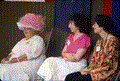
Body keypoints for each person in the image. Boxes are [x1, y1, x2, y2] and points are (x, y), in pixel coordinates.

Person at [37, 13, 91, 80]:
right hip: (67, 61)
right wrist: (67, 56)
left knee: (54, 66)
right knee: (49, 61)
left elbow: (76, 58)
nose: (69, 26)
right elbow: (63, 52)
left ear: (78, 25)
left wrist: (65, 57)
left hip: (77, 64)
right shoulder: (70, 36)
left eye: (71, 24)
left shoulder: (85, 38)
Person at [65, 14, 120, 81]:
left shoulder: (113, 41)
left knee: (76, 80)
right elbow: (93, 58)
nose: (93, 26)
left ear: (101, 27)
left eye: (95, 24)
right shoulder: (100, 41)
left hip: (105, 73)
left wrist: (91, 71)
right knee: (69, 77)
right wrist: (88, 70)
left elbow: (108, 65)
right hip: (94, 71)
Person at [0, 13, 46, 80]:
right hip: (17, 64)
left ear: (34, 29)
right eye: (24, 28)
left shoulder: (38, 39)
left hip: (29, 66)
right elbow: (13, 52)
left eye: (28, 28)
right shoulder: (22, 41)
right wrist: (7, 59)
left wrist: (17, 59)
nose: (25, 30)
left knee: (4, 70)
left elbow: (33, 53)